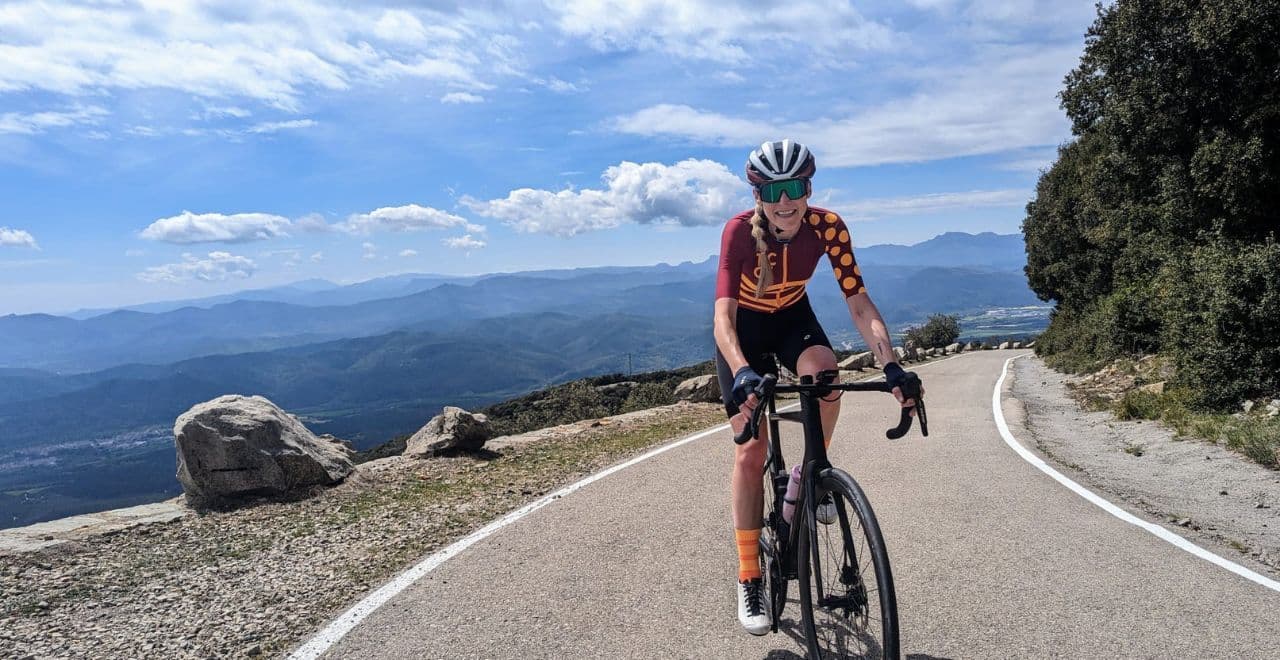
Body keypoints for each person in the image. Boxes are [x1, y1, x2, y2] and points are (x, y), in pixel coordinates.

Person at [713, 139, 919, 635]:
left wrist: (891, 367)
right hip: (745, 330)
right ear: (758, 193)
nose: (786, 201)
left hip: (791, 319)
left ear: (809, 187)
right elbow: (723, 317)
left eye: (797, 187)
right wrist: (742, 371)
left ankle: (812, 473)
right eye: (775, 190)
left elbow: (859, 303)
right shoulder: (739, 231)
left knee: (827, 373)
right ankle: (750, 577)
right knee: (749, 450)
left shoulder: (828, 226)